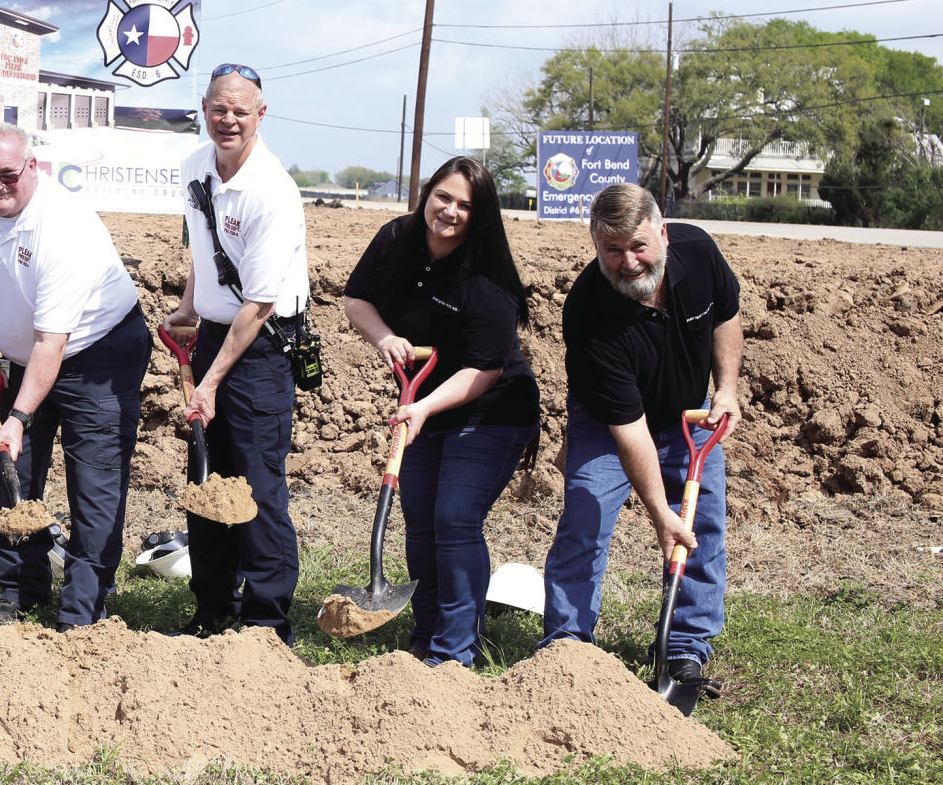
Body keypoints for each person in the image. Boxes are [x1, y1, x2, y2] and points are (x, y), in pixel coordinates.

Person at [0, 124, 152, 628]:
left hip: (99, 353)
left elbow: (52, 341)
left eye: (8, 174)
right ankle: (19, 589)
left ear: (32, 168)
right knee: (15, 467)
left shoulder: (64, 226)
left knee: (94, 480)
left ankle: (82, 608)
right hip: (26, 357)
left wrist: (17, 415)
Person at [541, 182, 743, 695]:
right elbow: (630, 431)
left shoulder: (699, 253)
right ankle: (567, 647)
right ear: (595, 247)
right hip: (610, 423)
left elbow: (726, 316)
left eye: (638, 246)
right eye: (613, 250)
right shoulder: (589, 311)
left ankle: (685, 648)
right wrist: (659, 514)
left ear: (664, 234)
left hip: (687, 417)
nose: (628, 261)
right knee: (585, 516)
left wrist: (726, 391)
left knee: (703, 523)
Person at [342, 155, 540, 666]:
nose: (449, 211)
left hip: (491, 408)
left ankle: (454, 650)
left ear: (481, 215)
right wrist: (385, 337)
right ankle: (426, 632)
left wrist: (425, 406)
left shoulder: (487, 278)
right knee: (421, 520)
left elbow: (486, 368)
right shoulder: (395, 239)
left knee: (454, 516)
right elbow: (356, 299)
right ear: (428, 194)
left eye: (465, 206)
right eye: (443, 197)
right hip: (423, 399)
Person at [162, 63, 312, 644]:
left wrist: (211, 382)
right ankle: (211, 609)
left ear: (260, 115)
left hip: (261, 351)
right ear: (205, 108)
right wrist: (187, 306)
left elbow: (259, 304)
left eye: (240, 112)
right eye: (219, 109)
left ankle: (267, 622)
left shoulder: (272, 191)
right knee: (206, 479)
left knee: (256, 487)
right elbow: (206, 249)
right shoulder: (195, 166)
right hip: (215, 344)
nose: (228, 120)